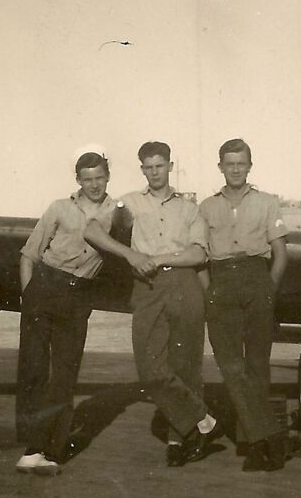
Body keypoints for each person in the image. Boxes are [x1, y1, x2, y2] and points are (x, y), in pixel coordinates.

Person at [85, 141, 222, 467]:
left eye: (160, 165)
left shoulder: (190, 208)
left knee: (186, 365)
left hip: (184, 284)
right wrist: (131, 254)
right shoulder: (126, 204)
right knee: (150, 369)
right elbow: (92, 230)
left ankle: (180, 440)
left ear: (170, 166)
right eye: (148, 167)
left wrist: (157, 258)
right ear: (142, 169)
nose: (154, 172)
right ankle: (204, 420)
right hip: (146, 288)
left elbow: (198, 253)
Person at [16, 146, 116, 475]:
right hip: (43, 287)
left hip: (77, 295)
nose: (94, 185)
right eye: (87, 179)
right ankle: (32, 446)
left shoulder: (118, 211)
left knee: (65, 372)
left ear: (107, 177)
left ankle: (50, 449)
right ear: (78, 180)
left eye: (99, 178)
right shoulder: (59, 208)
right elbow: (30, 254)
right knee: (33, 367)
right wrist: (29, 295)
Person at [200, 139, 289, 472]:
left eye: (241, 163)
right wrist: (210, 294)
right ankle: (269, 436)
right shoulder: (206, 208)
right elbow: (199, 256)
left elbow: (280, 255)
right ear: (220, 166)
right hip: (220, 281)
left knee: (256, 365)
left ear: (250, 166)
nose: (235, 169)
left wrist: (268, 290)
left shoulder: (267, 203)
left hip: (256, 278)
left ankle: (256, 444)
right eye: (229, 163)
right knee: (229, 365)